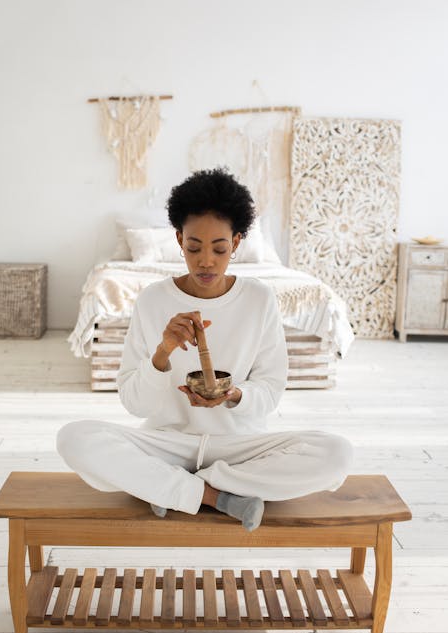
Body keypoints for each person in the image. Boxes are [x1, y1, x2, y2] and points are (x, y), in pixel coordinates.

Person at [56, 168, 353, 531]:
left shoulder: (259, 299)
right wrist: (162, 353)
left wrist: (234, 394)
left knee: (337, 453)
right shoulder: (152, 300)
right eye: (194, 247)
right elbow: (135, 403)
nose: (206, 261)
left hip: (239, 448)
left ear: (238, 242)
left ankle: (170, 488)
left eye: (220, 248)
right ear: (179, 240)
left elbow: (271, 390)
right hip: (168, 443)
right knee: (74, 438)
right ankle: (216, 498)